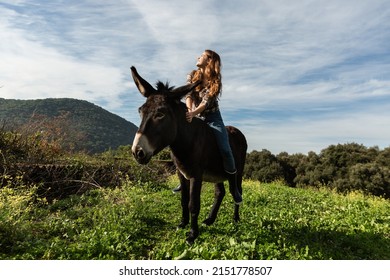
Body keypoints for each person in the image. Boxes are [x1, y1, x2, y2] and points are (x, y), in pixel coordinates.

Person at [173, 50, 242, 205]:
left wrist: (194, 113)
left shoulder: (215, 80)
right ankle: (184, 178)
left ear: (209, 60)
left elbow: (206, 102)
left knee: (225, 148)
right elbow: (189, 95)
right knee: (180, 142)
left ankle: (233, 186)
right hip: (194, 114)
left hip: (212, 117)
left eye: (202, 55)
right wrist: (190, 112)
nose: (198, 57)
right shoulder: (192, 75)